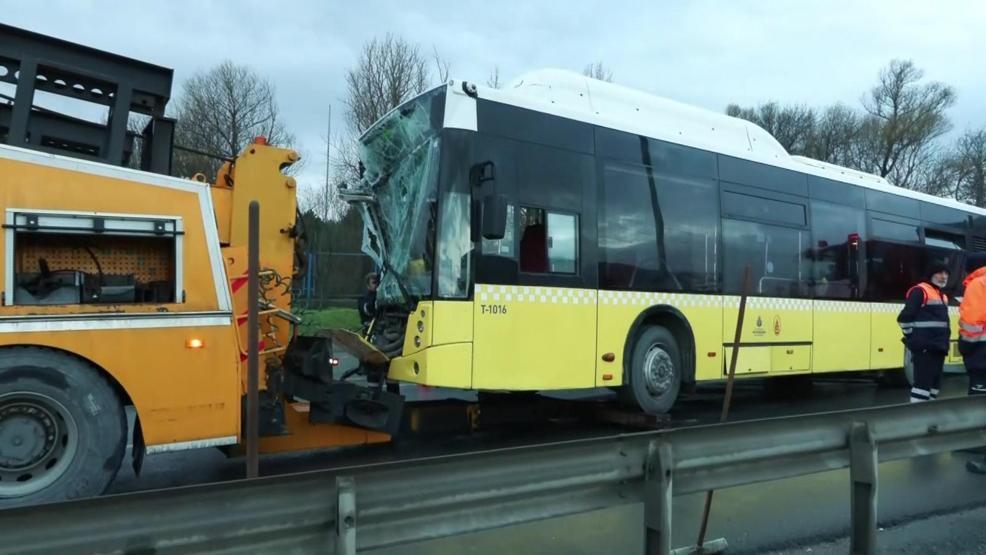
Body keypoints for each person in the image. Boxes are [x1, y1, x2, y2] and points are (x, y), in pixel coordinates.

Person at [897, 263, 951, 402]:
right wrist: (912, 337)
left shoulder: (941, 295)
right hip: (925, 347)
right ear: (931, 274)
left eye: (946, 273)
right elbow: (904, 318)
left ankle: (928, 415)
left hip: (938, 347)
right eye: (939, 273)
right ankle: (918, 417)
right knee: (922, 384)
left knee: (934, 385)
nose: (943, 277)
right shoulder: (920, 291)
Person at [960, 253, 986, 474]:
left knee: (979, 402)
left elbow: (972, 323)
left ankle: (978, 446)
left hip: (982, 354)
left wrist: (965, 348)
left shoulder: (978, 283)